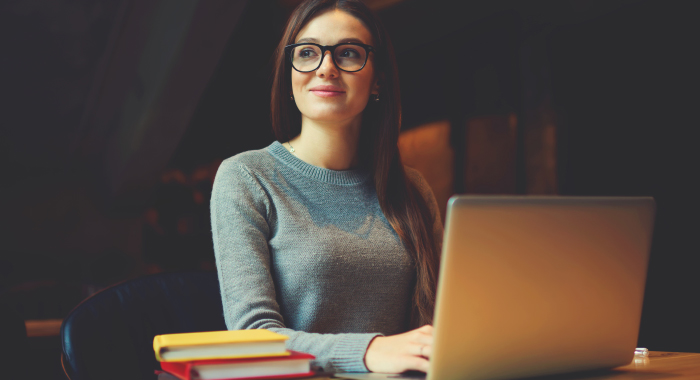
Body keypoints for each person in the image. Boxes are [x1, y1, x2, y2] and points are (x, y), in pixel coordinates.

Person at [211, 0, 442, 374]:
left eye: (348, 53)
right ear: (290, 72)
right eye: (307, 52)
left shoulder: (412, 188)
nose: (326, 68)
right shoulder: (247, 177)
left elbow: (433, 327)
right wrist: (368, 351)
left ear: (378, 77)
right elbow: (252, 338)